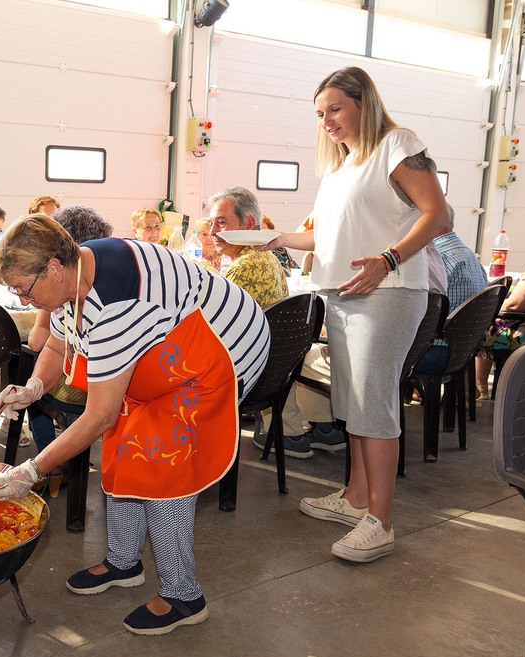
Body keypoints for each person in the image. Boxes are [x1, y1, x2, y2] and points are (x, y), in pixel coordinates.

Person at [0, 214, 270, 635]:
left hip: (224, 351)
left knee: (161, 464)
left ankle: (183, 595)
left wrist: (33, 469)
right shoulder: (76, 270)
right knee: (124, 439)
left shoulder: (119, 303)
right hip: (171, 346)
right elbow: (61, 341)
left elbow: (97, 416)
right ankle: (123, 560)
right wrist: (34, 387)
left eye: (24, 290)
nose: (23, 301)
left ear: (54, 268)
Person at [263, 67, 448, 562]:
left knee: (374, 405)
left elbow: (438, 213)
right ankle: (354, 498)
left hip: (386, 291)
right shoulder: (343, 167)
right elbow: (322, 237)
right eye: (320, 114)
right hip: (343, 296)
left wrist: (389, 258)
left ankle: (380, 522)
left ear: (363, 103)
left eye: (335, 109)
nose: (326, 121)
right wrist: (275, 238)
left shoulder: (397, 143)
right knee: (355, 405)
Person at [24, 205, 113, 496]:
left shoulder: (72, 294)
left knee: (38, 399)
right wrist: (35, 385)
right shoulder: (76, 289)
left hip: (85, 390)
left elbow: (38, 342)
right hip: (102, 388)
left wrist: (33, 468)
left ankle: (54, 467)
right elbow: (56, 344)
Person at [413, 204, 488, 375]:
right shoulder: (469, 255)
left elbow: (417, 311)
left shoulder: (437, 257)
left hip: (436, 352)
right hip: (463, 351)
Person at [207, 187, 288, 308]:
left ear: (249, 224)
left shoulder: (245, 265)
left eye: (221, 223)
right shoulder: (265, 254)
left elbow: (214, 317)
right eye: (211, 223)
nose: (212, 232)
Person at [475, 255, 525, 396]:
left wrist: (490, 305)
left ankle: (474, 389)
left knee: (479, 329)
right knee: (492, 325)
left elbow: (515, 305)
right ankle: (481, 387)